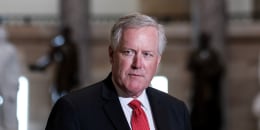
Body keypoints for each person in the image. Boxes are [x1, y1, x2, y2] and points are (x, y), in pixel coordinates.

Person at [45, 13, 191, 130]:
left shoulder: (176, 111)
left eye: (147, 54)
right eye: (129, 52)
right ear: (111, 54)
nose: (138, 64)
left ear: (157, 60)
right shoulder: (73, 109)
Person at [29, 27, 79, 104]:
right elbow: (49, 58)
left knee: (67, 96)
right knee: (59, 95)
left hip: (68, 76)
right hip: (62, 76)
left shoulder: (72, 47)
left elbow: (75, 63)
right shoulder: (60, 46)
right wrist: (39, 66)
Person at [187, 32, 224, 130]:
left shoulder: (213, 54)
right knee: (198, 111)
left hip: (211, 88)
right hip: (199, 88)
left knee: (211, 111)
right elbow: (190, 66)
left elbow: (219, 69)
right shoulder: (195, 54)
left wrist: (209, 72)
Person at [0, 22, 20, 130]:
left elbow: (14, 69)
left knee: (10, 116)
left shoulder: (9, 50)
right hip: (6, 85)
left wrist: (14, 84)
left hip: (8, 86)